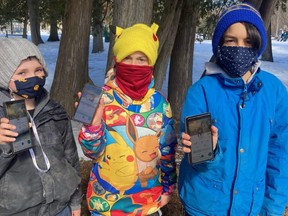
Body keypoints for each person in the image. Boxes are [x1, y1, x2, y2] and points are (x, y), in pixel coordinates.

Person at [178, 3, 288, 216]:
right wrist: (208, 152)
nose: (240, 48)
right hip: (205, 207)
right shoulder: (201, 92)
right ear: (220, 44)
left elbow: (280, 155)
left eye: (248, 41)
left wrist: (272, 207)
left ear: (258, 44)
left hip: (252, 207)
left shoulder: (274, 91)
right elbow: (199, 158)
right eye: (231, 40)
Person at [78, 23, 177, 216]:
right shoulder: (100, 99)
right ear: (117, 60)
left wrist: (168, 189)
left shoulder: (160, 104)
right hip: (106, 205)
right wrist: (93, 126)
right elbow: (91, 153)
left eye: (141, 59)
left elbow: (167, 150)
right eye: (127, 58)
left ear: (151, 63)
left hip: (148, 204)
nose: (134, 64)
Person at [0, 38, 82, 216]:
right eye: (22, 73)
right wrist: (4, 146)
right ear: (5, 76)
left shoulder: (56, 111)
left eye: (38, 70)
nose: (32, 78)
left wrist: (75, 202)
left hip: (61, 208)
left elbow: (71, 158)